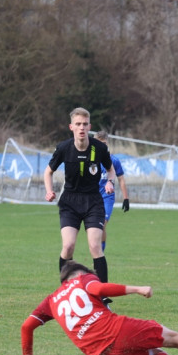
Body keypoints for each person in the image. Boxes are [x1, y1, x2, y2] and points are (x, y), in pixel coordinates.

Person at [22, 262, 178, 355]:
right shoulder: (83, 279)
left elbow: (26, 327)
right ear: (80, 274)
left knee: (148, 349)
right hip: (116, 331)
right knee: (170, 336)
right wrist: (137, 289)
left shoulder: (51, 300)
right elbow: (99, 289)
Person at [44, 108, 116, 281]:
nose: (82, 127)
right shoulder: (63, 148)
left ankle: (102, 294)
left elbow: (110, 169)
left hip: (93, 201)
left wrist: (109, 182)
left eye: (85, 124)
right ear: (71, 127)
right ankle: (65, 290)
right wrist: (49, 191)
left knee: (95, 246)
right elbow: (48, 172)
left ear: (89, 126)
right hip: (70, 201)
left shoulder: (99, 147)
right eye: (78, 124)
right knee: (68, 246)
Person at [94, 131, 130, 253]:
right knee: (94, 228)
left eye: (104, 143)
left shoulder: (114, 160)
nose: (102, 146)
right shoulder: (90, 160)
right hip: (92, 197)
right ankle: (96, 250)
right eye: (99, 144)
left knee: (102, 224)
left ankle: (101, 252)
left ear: (107, 143)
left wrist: (126, 198)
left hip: (106, 198)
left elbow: (121, 180)